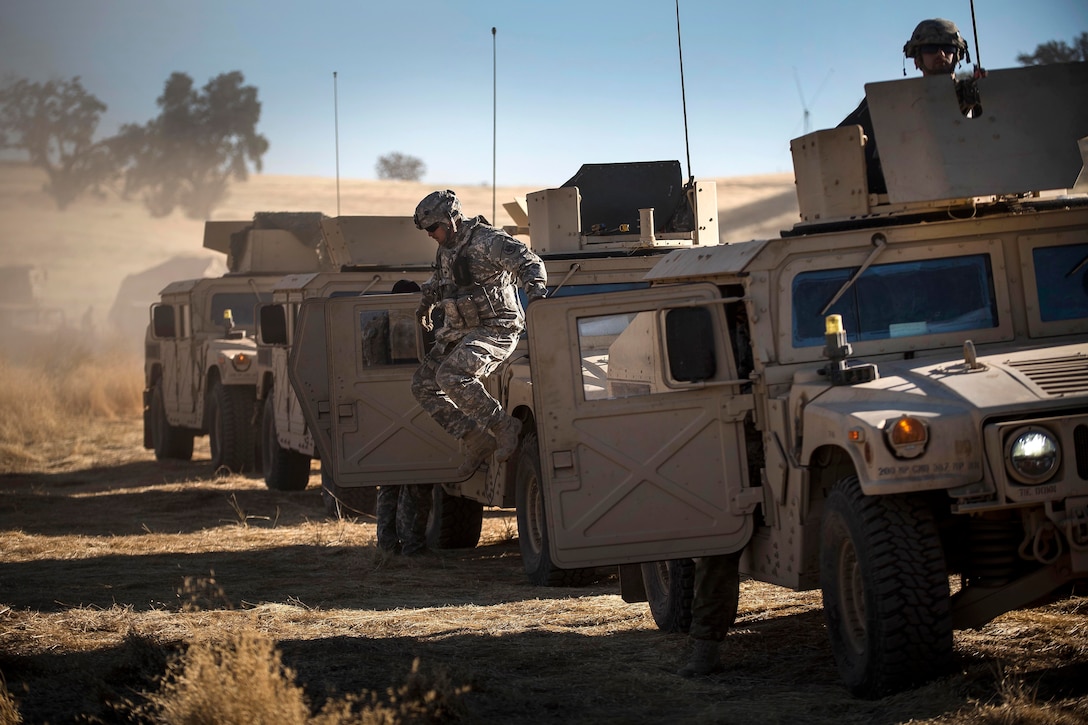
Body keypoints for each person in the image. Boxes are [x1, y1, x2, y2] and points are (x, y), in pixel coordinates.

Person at [411, 189, 548, 478]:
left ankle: (503, 426)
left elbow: (529, 262)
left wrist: (536, 296)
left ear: (451, 220)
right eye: (427, 229)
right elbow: (439, 281)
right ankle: (476, 440)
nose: (429, 234)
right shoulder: (446, 248)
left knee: (451, 376)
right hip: (460, 331)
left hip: (496, 328)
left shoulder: (488, 240)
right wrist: (425, 307)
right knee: (423, 384)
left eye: (433, 227)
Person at [839, 18, 979, 195]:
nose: (941, 55)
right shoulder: (890, 101)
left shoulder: (976, 95)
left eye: (948, 48)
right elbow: (844, 138)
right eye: (930, 49)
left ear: (957, 55)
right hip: (905, 194)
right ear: (917, 60)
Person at [375, 280, 434, 557]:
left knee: (390, 481)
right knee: (418, 481)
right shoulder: (420, 326)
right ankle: (413, 544)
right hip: (414, 406)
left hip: (383, 407)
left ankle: (388, 544)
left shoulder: (375, 326)